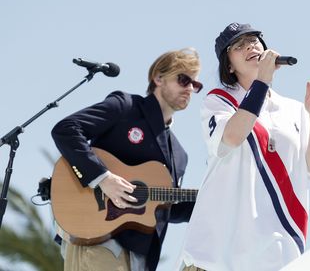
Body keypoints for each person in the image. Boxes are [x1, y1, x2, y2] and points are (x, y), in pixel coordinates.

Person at [177, 23, 310, 271]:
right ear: (229, 65)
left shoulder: (295, 109)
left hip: (275, 258)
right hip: (215, 257)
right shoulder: (219, 100)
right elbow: (231, 137)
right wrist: (262, 81)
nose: (250, 46)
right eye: (239, 45)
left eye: (254, 40)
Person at [51, 48, 203, 271]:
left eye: (195, 85)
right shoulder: (126, 107)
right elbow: (66, 130)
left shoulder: (180, 155)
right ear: (158, 78)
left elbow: (165, 208)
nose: (190, 88)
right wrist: (104, 178)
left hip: (141, 256)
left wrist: (210, 202)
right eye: (183, 80)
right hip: (99, 241)